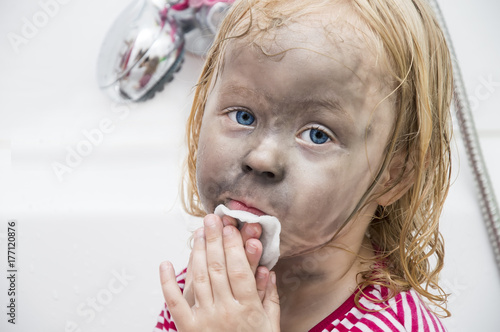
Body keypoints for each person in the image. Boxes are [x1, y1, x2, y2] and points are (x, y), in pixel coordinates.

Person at [154, 0, 453, 330]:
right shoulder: (211, 285)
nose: (261, 158)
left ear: (394, 176)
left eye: (317, 135)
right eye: (244, 115)